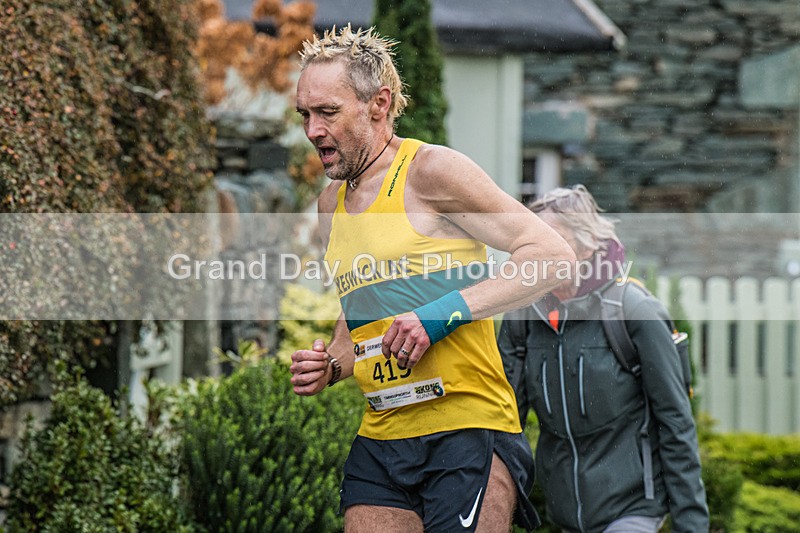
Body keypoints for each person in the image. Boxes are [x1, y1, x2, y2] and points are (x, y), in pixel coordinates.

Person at [288, 25, 575, 533]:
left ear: (378, 104)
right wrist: (331, 364)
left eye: (327, 112)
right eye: (305, 115)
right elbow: (362, 310)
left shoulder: (431, 172)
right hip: (382, 434)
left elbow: (551, 256)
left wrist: (438, 314)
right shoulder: (331, 204)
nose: (312, 130)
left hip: (466, 427)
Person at [497, 185, 709, 533]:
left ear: (586, 244)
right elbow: (504, 421)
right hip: (564, 515)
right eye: (535, 240)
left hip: (633, 509)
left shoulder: (632, 311)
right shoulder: (524, 316)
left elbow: (676, 422)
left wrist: (691, 525)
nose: (540, 252)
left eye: (554, 239)